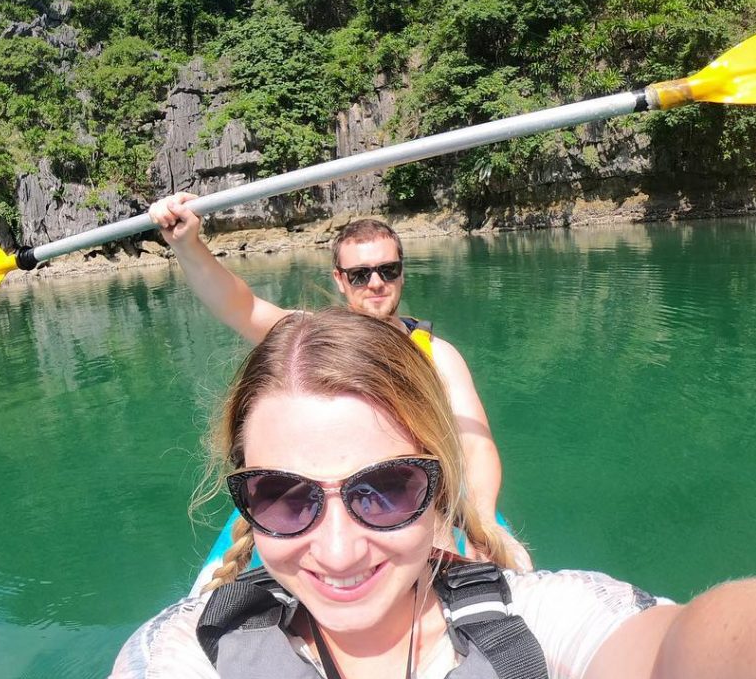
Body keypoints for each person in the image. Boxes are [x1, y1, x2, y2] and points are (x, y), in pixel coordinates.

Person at [64, 309, 756, 679]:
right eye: (284, 496)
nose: (334, 548)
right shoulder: (192, 652)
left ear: (438, 488)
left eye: (385, 489)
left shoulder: (536, 628)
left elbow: (687, 673)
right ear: (243, 497)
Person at [148, 192, 504, 525]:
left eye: (388, 270)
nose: (376, 283)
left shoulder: (436, 355)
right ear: (340, 279)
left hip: (410, 500)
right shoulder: (315, 338)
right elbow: (242, 306)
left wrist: (483, 521)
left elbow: (475, 442)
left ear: (402, 271)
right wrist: (187, 245)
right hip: (326, 500)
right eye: (360, 274)